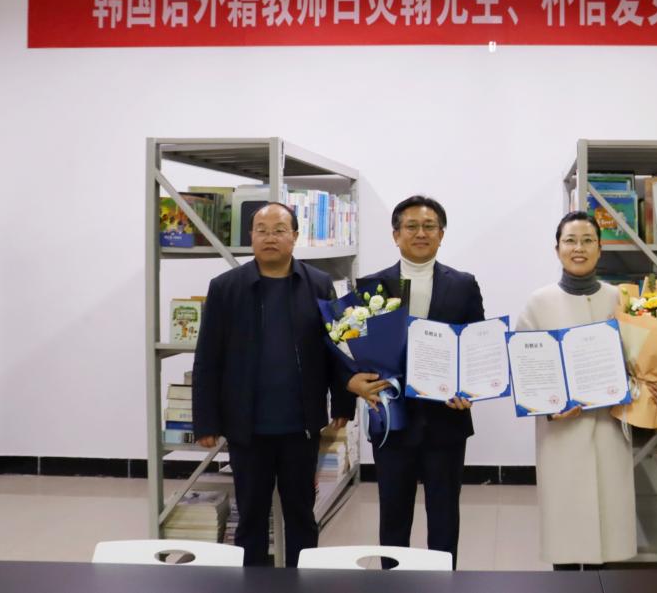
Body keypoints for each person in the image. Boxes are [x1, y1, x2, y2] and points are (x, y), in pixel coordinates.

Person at [192, 202, 354, 567]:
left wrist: (344, 403)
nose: (270, 237)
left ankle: (302, 579)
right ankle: (251, 582)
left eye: (279, 230)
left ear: (295, 236)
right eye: (261, 230)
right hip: (247, 428)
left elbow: (338, 347)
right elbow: (207, 359)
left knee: (301, 514)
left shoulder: (318, 284)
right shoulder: (226, 288)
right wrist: (206, 420)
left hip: (301, 426)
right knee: (250, 516)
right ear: (250, 237)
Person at [516, 211, 657, 570]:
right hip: (562, 434)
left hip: (609, 428)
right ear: (557, 249)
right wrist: (551, 408)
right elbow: (525, 371)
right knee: (566, 530)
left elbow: (642, 363)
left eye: (588, 241)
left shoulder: (622, 300)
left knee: (607, 529)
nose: (579, 248)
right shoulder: (539, 303)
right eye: (570, 241)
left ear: (600, 249)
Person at [345, 195, 484, 568]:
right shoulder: (372, 287)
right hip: (392, 420)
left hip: (447, 419)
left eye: (429, 226)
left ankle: (443, 583)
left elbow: (477, 346)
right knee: (393, 516)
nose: (421, 233)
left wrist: (471, 388)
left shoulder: (464, 284)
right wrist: (354, 381)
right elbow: (351, 347)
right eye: (411, 226)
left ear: (441, 234)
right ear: (396, 235)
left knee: (444, 516)